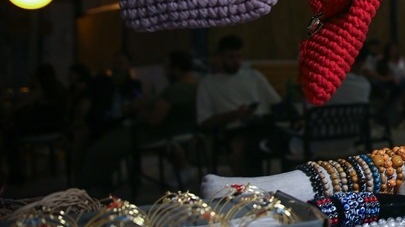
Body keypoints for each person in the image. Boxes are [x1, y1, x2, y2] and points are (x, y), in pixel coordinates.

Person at [77, 50, 199, 197]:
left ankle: (87, 189)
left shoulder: (175, 90)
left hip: (153, 133)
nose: (165, 72)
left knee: (104, 147)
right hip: (174, 131)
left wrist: (141, 108)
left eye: (166, 67)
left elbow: (154, 119)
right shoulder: (195, 86)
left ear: (176, 69)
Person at [196, 35, 281, 176]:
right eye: (231, 57)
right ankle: (245, 188)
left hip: (261, 124)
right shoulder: (208, 83)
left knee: (288, 139)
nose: (236, 61)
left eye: (239, 56)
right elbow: (204, 121)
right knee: (240, 146)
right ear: (220, 57)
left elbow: (276, 102)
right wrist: (236, 114)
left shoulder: (253, 76)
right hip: (233, 129)